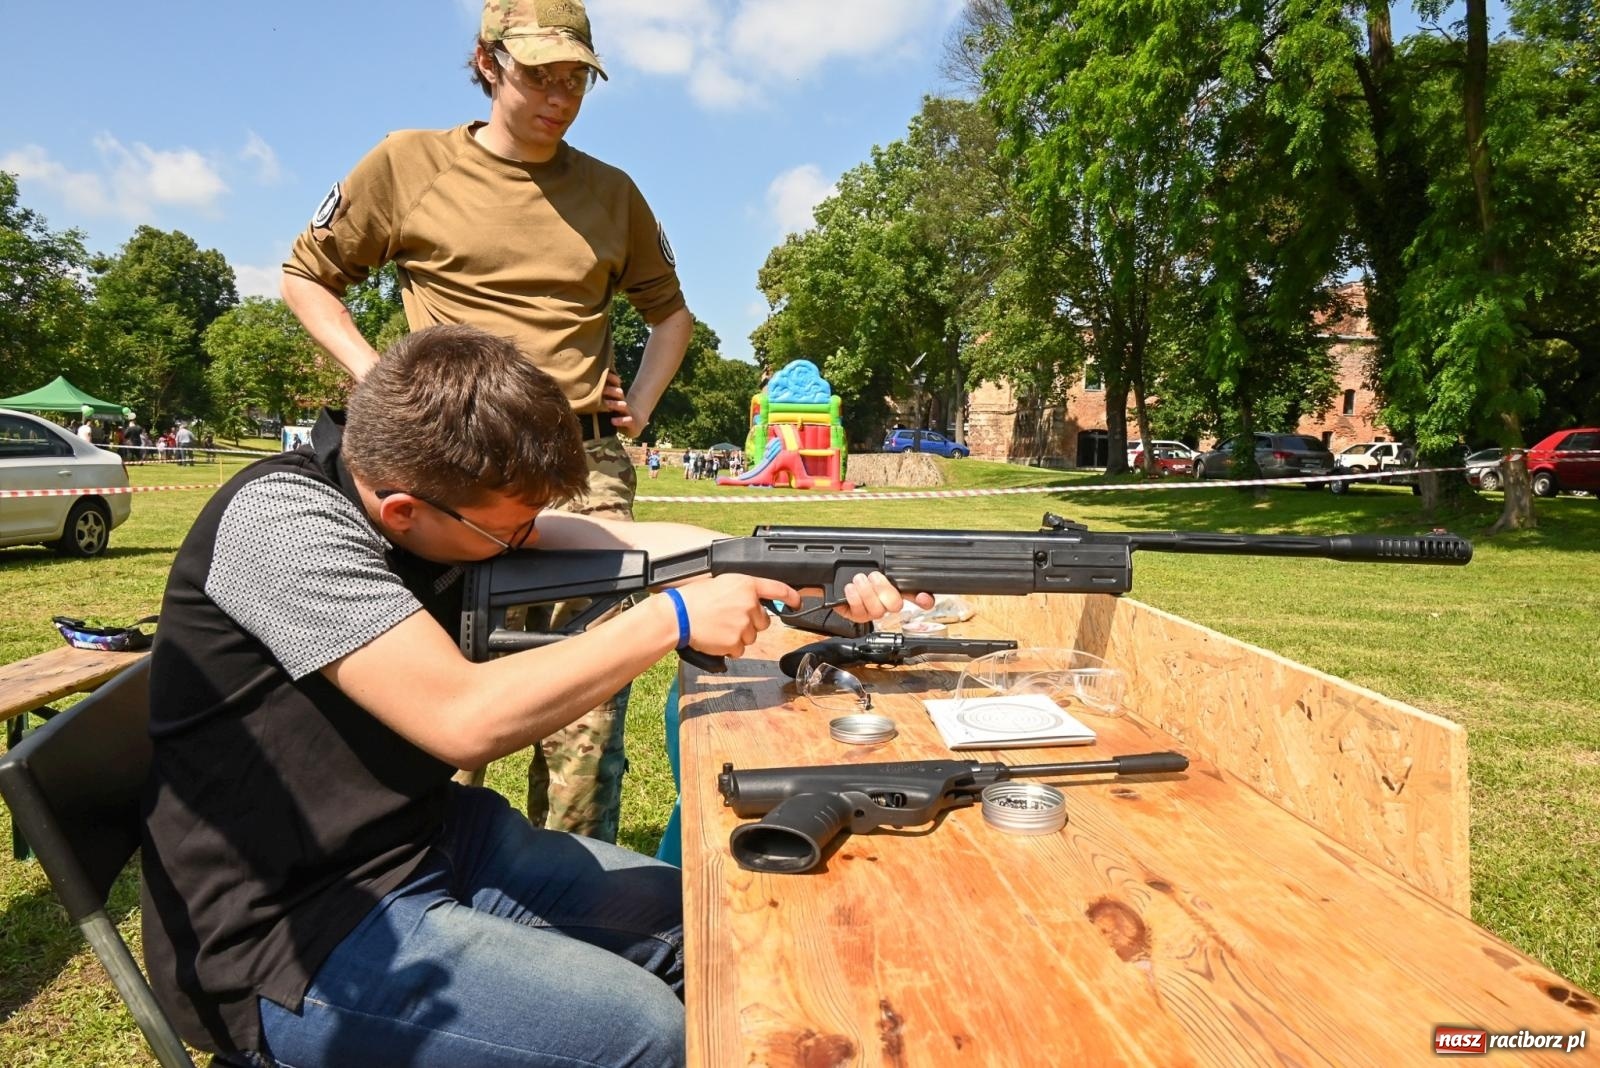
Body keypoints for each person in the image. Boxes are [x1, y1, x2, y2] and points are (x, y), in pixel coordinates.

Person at [140, 323, 926, 1065]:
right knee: (648, 1035)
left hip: (421, 841)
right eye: (511, 533)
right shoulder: (283, 522)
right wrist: (674, 617)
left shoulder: (429, 493)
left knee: (721, 928)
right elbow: (462, 719)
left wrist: (797, 563)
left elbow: (625, 545)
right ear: (403, 512)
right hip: (288, 931)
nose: (526, 543)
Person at [280, 0, 693, 843]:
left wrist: (640, 404)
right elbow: (305, 274)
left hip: (581, 469)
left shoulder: (613, 194)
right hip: (451, 474)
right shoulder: (407, 164)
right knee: (448, 686)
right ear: (487, 61)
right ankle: (424, 864)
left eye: (576, 76)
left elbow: (670, 315)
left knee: (585, 708)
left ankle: (580, 885)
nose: (560, 94)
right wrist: (376, 376)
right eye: (540, 73)